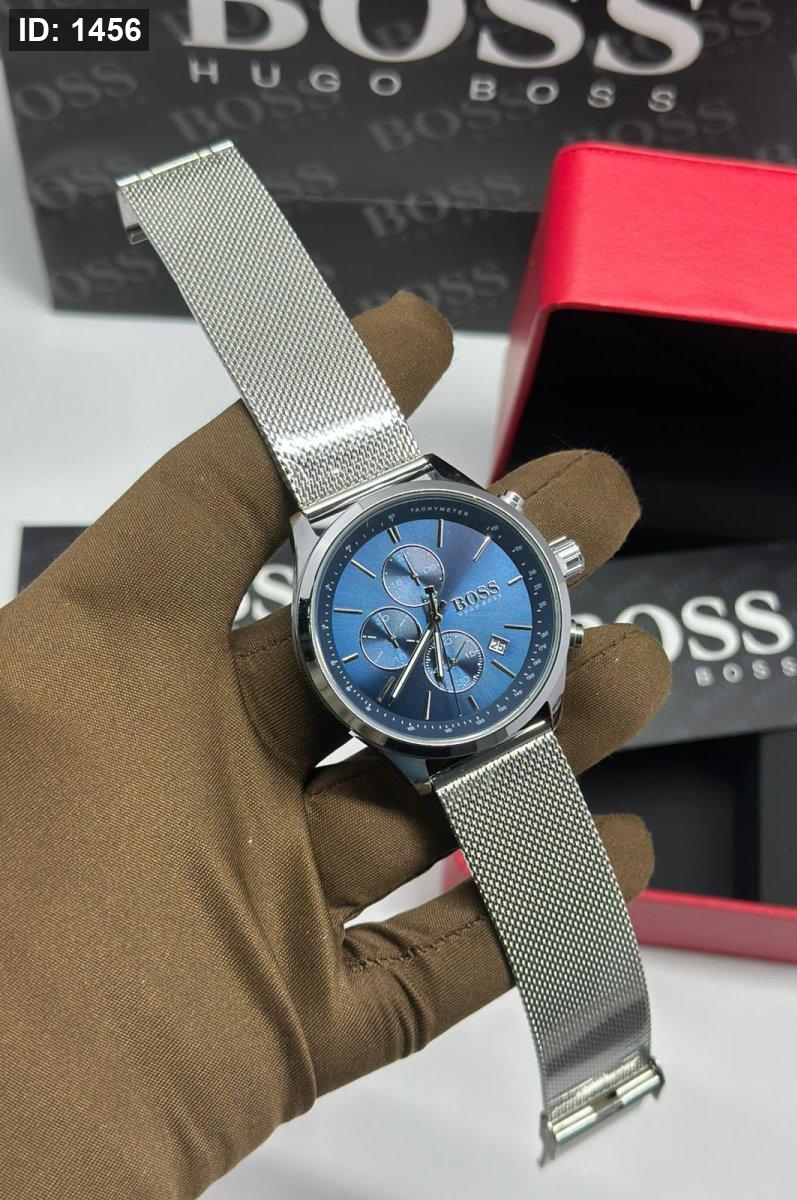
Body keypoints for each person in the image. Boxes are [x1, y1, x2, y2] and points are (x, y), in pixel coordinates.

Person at [0, 293, 669, 1198]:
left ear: (549, 575)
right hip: (436, 708)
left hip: (487, 719)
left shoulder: (508, 641)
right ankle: (196, 204)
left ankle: (604, 1066)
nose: (436, 613)